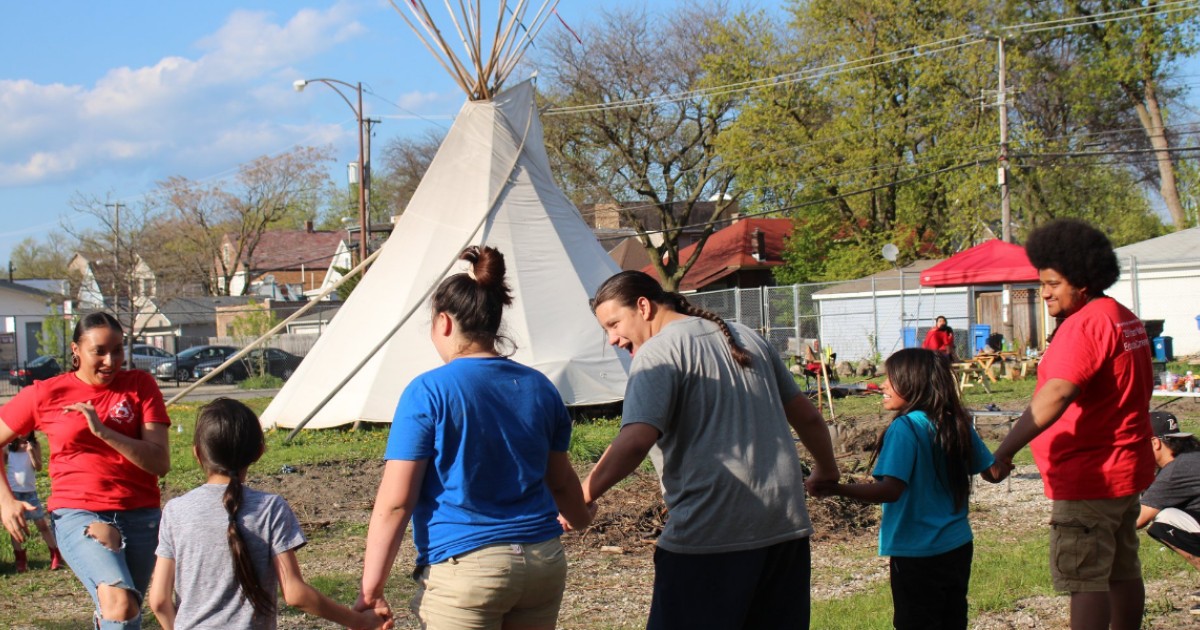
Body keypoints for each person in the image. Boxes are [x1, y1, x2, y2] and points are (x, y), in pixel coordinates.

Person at [582, 270, 839, 629]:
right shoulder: (746, 336)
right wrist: (826, 469)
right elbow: (808, 417)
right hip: (783, 528)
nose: (612, 339)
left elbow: (636, 439)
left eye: (613, 323)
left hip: (712, 535)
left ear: (643, 306)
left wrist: (583, 492)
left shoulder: (659, 352)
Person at [356, 246, 592, 629]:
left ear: (444, 323)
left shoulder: (428, 391)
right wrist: (581, 519)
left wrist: (371, 589)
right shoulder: (540, 387)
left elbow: (397, 503)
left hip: (468, 570)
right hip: (542, 563)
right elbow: (562, 482)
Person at [986, 219, 1155, 630]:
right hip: (1123, 469)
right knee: (1121, 568)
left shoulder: (1084, 325)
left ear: (1083, 280)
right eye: (1042, 282)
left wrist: (1005, 450)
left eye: (1053, 283)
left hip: (1089, 474)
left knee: (1085, 580)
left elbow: (1057, 394)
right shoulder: (1122, 316)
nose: (1044, 292)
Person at [148, 398, 387, 630]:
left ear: (197, 453)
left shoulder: (175, 511)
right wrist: (359, 622)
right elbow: (294, 593)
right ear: (259, 452)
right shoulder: (270, 509)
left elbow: (159, 600)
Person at [0, 312, 171, 629]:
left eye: (118, 350)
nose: (111, 360)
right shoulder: (46, 393)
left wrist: (105, 432)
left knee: (125, 612)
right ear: (76, 350)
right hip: (79, 513)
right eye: (100, 351)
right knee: (119, 605)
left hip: (141, 516)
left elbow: (160, 463)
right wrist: (5, 501)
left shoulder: (140, 386)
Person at [819, 348, 992, 629]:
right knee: (952, 620)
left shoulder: (906, 428)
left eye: (892, 378)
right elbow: (992, 472)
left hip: (917, 554)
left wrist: (836, 489)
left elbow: (890, 490)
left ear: (914, 383)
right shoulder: (955, 421)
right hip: (958, 546)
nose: (884, 385)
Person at [1136, 411, 1200, 617]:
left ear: (1155, 443)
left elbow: (1137, 520)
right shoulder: (1190, 459)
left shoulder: (1174, 471)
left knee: (1163, 521)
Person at [2, 432, 63, 572]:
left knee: (41, 524)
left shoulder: (34, 445)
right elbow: (3, 465)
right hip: (14, 492)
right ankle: (20, 560)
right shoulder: (8, 447)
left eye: (28, 430)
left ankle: (55, 555)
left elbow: (39, 467)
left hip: (30, 493)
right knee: (16, 527)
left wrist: (31, 453)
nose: (24, 434)